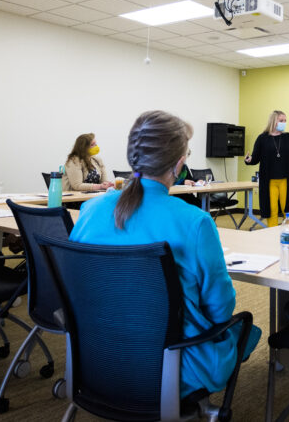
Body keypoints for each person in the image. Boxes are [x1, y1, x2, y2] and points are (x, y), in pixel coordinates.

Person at [70, 110, 261, 398]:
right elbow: (221, 310)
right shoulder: (195, 222)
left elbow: (76, 287)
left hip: (98, 354)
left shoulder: (90, 211)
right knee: (248, 331)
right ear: (179, 163)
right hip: (172, 366)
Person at [244, 110, 289, 227]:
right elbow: (255, 158)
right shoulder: (262, 138)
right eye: (281, 120)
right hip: (269, 182)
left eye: (285, 121)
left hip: (286, 180)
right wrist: (249, 160)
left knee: (288, 209)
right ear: (273, 121)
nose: (284, 123)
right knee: (272, 210)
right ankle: (272, 234)